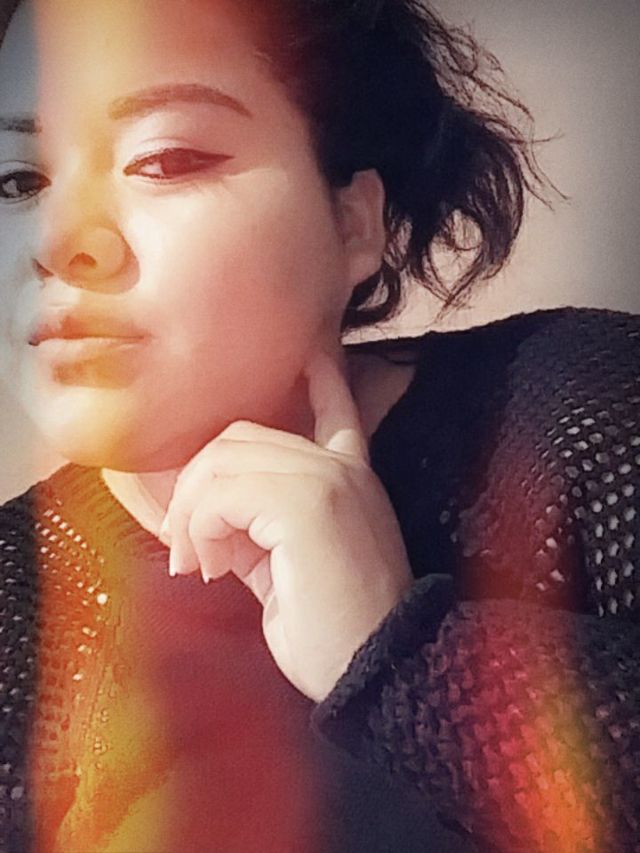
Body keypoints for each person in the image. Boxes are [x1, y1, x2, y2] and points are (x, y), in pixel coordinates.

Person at [0, 0, 638, 850]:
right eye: (18, 182)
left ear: (352, 222)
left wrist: (404, 656)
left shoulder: (577, 411)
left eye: (165, 159)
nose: (56, 240)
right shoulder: (14, 599)